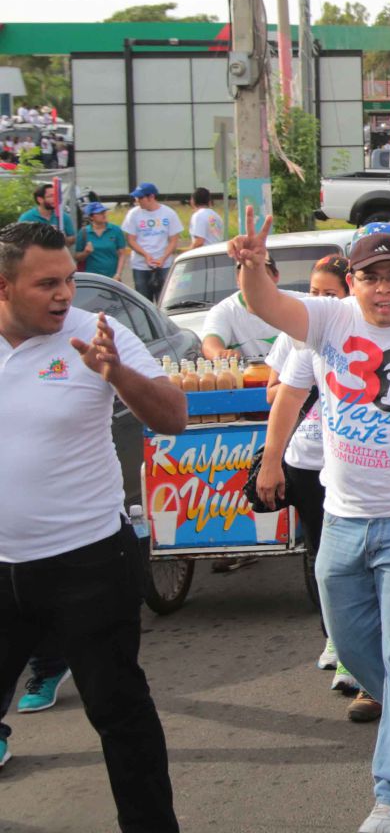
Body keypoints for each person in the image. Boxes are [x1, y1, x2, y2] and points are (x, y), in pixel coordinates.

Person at [228, 221, 390, 833]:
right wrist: (252, 265)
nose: (383, 289)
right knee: (353, 652)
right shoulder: (329, 320)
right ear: (351, 281)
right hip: (343, 519)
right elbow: (266, 303)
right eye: (370, 276)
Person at [0, 221, 186, 827]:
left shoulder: (99, 335)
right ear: (3, 287)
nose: (64, 296)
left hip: (89, 562)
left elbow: (173, 416)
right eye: (47, 284)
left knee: (119, 711)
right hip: (3, 570)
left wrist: (117, 376)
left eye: (70, 282)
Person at [255, 255, 353, 694]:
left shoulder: (357, 332)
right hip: (306, 459)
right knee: (322, 559)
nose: (318, 301)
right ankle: (336, 636)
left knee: (353, 565)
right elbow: (278, 391)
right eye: (312, 292)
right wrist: (271, 461)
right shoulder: (299, 331)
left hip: (348, 468)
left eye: (328, 294)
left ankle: (361, 653)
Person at [200, 268, 283, 361]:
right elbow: (210, 344)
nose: (255, 281)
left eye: (262, 274)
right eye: (248, 275)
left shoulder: (299, 302)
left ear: (276, 276)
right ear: (238, 280)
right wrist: (221, 354)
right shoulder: (223, 310)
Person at [121, 181, 181, 301]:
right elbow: (130, 239)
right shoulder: (133, 214)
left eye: (140, 198)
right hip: (141, 265)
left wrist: (163, 258)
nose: (137, 201)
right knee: (143, 301)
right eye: (136, 198)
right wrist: (146, 255)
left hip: (163, 265)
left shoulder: (168, 213)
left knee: (164, 300)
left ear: (151, 197)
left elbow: (174, 240)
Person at [73, 202, 128, 281]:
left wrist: (118, 274)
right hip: (91, 278)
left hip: (112, 277)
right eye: (100, 213)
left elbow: (122, 254)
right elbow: (77, 257)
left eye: (104, 212)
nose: (104, 214)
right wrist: (86, 252)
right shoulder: (84, 232)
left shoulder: (115, 230)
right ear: (91, 217)